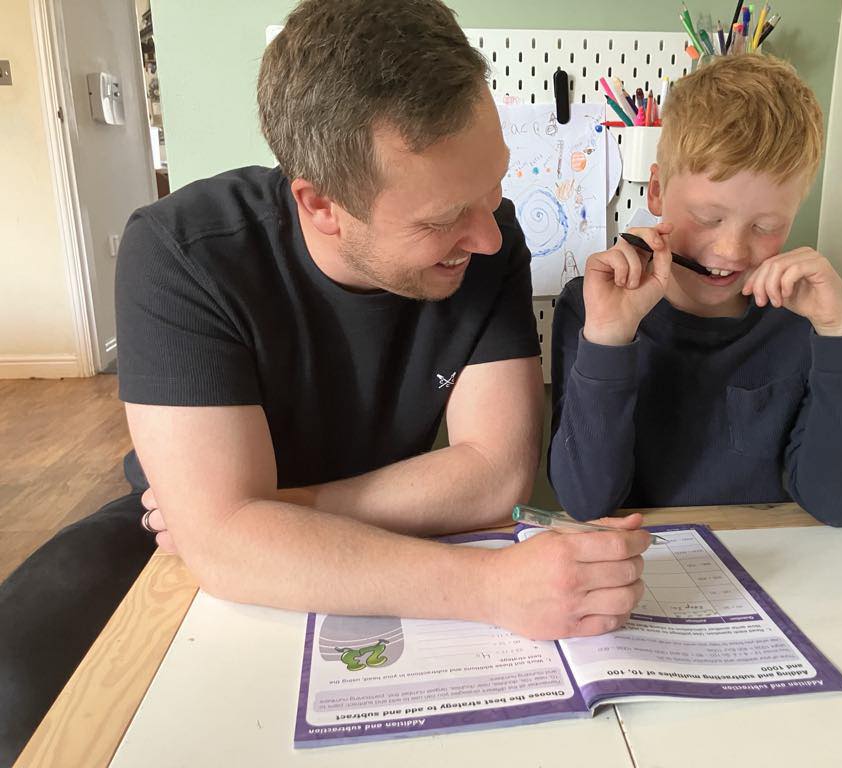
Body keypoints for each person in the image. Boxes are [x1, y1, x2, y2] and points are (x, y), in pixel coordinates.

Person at [0, 2, 649, 763]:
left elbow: (494, 475)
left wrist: (253, 520)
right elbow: (214, 546)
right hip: (169, 540)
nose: (487, 235)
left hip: (347, 529)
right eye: (443, 219)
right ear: (320, 204)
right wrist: (490, 588)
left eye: (494, 190)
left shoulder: (486, 242)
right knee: (17, 685)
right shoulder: (182, 251)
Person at [549, 54, 842, 526]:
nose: (730, 250)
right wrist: (607, 338)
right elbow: (586, 502)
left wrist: (841, 336)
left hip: (768, 559)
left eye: (766, 227)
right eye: (708, 218)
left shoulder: (801, 326)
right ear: (657, 191)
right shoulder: (590, 308)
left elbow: (838, 504)